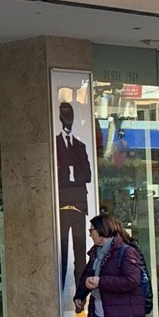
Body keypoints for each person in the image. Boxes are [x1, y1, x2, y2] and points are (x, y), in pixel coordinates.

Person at [57, 101, 92, 290]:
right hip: (61, 205)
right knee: (62, 251)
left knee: (80, 253)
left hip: (78, 205)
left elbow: (87, 176)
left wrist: (68, 174)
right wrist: (70, 174)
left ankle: (80, 292)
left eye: (70, 114)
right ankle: (61, 291)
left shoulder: (80, 146)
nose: (67, 119)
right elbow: (56, 176)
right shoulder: (55, 144)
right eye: (65, 114)